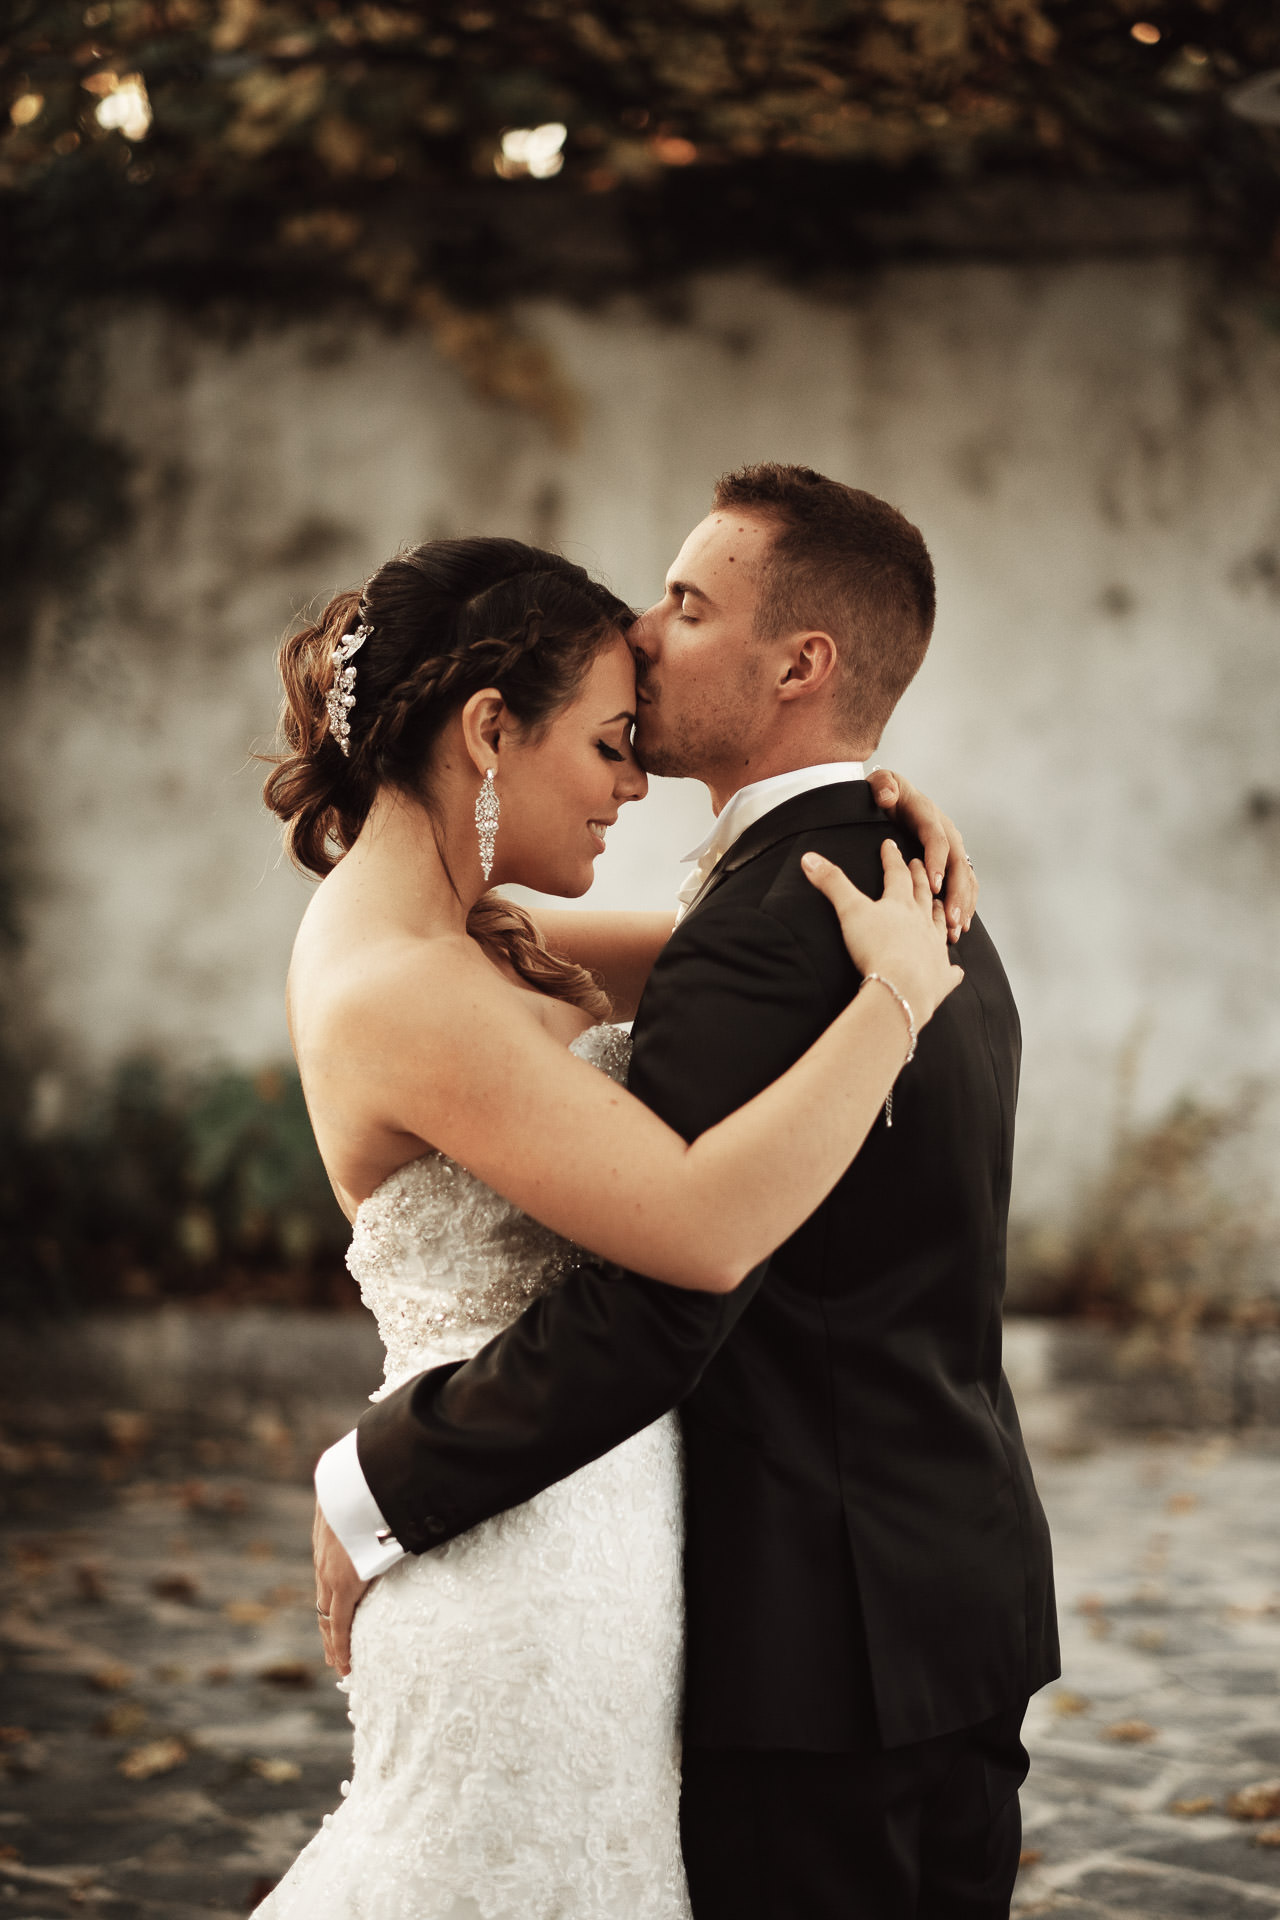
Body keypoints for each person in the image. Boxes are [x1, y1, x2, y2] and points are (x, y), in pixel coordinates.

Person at [254, 524, 971, 1920]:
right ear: (487, 732)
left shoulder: (458, 934)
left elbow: (747, 936)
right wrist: (894, 1004)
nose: (635, 787)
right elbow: (701, 1230)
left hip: (585, 1519)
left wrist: (870, 804)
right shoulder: (401, 987)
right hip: (512, 1554)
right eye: (608, 744)